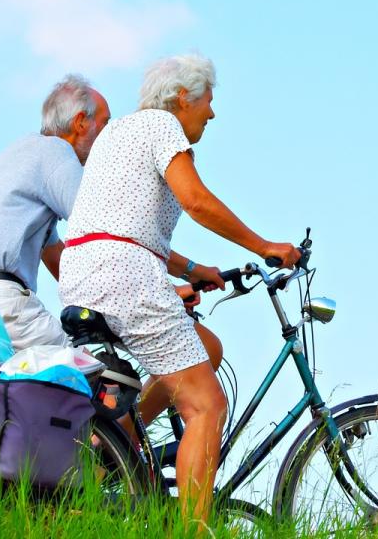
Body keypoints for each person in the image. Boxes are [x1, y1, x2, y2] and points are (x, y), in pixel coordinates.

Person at [58, 53, 301, 522]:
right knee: (206, 405)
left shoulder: (119, 133)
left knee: (205, 348)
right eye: (209, 101)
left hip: (86, 272)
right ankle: (192, 530)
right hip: (123, 275)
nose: (211, 113)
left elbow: (120, 223)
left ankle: (118, 447)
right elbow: (195, 200)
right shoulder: (162, 125)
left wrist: (191, 270)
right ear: (183, 97)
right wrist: (263, 245)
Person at [0, 74, 110, 351]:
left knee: (7, 390)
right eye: (106, 124)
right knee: (91, 376)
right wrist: (157, 292)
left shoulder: (23, 151)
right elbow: (104, 228)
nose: (108, 137)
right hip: (0, 301)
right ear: (81, 121)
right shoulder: (57, 152)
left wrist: (106, 300)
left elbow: (54, 255)